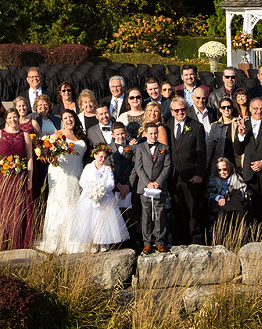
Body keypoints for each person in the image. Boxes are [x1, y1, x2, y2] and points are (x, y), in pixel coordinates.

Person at [35, 110, 87, 254]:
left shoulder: (81, 135)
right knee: (62, 203)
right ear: (62, 121)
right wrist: (50, 157)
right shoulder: (57, 135)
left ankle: (75, 239)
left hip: (77, 172)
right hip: (61, 173)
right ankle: (59, 241)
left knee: (76, 202)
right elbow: (46, 152)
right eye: (65, 118)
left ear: (75, 118)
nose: (69, 120)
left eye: (71, 117)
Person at [0, 109, 35, 250]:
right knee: (4, 207)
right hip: (3, 176)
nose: (13, 120)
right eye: (10, 117)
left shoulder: (24, 135)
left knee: (20, 208)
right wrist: (3, 163)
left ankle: (19, 241)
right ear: (6, 119)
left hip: (20, 176)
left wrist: (30, 178)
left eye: (15, 117)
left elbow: (29, 157)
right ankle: (3, 241)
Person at [70, 145, 129, 252]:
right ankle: (93, 243)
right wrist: (91, 189)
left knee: (104, 219)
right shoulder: (88, 167)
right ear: (95, 155)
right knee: (90, 220)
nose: (103, 159)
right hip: (89, 197)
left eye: (105, 158)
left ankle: (103, 242)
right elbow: (82, 180)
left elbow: (111, 183)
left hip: (104, 197)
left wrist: (102, 189)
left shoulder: (107, 169)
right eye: (101, 157)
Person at [166, 97, 207, 246]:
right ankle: (180, 243)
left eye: (182, 109)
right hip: (173, 178)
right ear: (172, 112)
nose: (180, 112)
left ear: (187, 109)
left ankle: (196, 242)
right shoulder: (167, 126)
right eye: (176, 110)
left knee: (193, 212)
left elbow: (201, 152)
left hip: (191, 177)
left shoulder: (196, 126)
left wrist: (199, 174)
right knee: (178, 212)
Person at [235, 97, 262, 225]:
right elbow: (238, 150)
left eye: (261, 109)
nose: (259, 111)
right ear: (250, 109)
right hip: (250, 175)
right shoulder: (244, 124)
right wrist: (241, 135)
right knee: (252, 209)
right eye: (255, 109)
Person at [132, 121, 170, 254]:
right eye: (151, 133)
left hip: (159, 186)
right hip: (145, 186)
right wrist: (148, 182)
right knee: (146, 214)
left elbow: (167, 166)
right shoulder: (140, 148)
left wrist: (158, 182)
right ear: (145, 134)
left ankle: (160, 241)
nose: (153, 136)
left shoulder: (164, 147)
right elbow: (138, 167)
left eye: (155, 133)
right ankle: (147, 242)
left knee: (160, 213)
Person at [207, 157, 249, 244]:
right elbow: (209, 192)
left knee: (240, 212)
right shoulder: (213, 179)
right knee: (221, 214)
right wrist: (218, 197)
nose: (222, 172)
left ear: (229, 168)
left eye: (224, 169)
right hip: (219, 203)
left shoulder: (236, 177)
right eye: (219, 170)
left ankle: (241, 240)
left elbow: (243, 191)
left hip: (234, 202)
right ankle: (221, 241)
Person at [206, 98, 236, 164]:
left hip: (236, 162)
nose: (226, 109)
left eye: (229, 107)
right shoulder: (214, 126)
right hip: (220, 163)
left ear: (232, 109)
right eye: (223, 107)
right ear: (220, 110)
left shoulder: (238, 123)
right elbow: (210, 146)